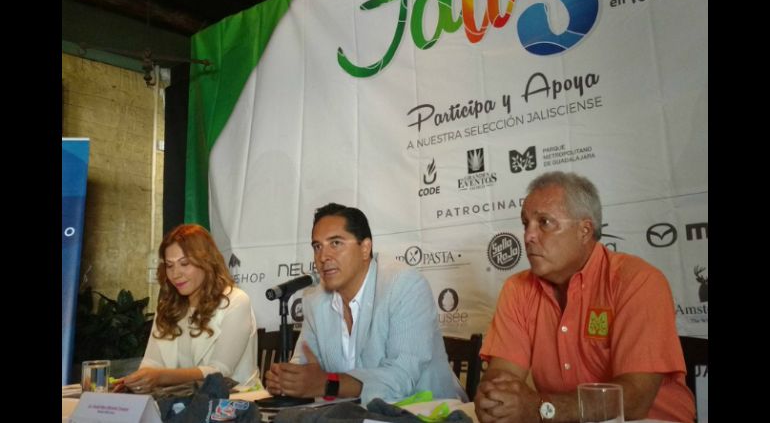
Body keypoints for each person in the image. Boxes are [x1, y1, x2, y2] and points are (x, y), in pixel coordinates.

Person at [475, 172, 695, 423]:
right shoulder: (517, 288)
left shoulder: (638, 281)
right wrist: (495, 399)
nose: (528, 236)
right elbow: (502, 375)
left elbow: (635, 400)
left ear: (584, 230)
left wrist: (540, 408)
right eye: (526, 224)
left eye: (544, 222)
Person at [265, 203, 466, 404]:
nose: (323, 257)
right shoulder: (315, 299)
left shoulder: (404, 285)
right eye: (317, 246)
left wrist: (328, 384)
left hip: (426, 412)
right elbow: (305, 364)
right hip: (353, 415)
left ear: (365, 248)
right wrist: (287, 380)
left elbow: (402, 377)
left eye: (335, 243)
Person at [121, 224, 258, 393]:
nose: (175, 274)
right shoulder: (168, 305)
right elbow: (151, 363)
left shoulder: (236, 300)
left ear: (206, 262)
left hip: (234, 402)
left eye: (184, 263)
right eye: (170, 265)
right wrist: (135, 381)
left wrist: (160, 377)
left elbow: (220, 372)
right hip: (178, 401)